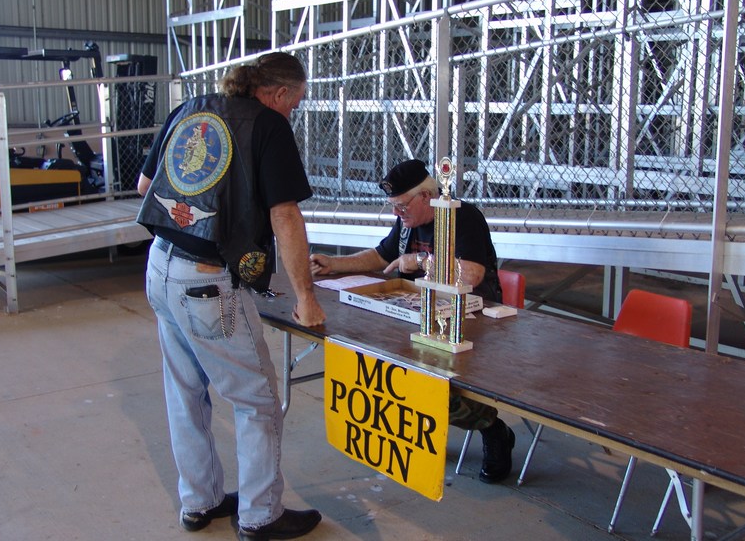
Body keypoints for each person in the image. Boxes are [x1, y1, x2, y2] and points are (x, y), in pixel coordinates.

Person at [136, 52, 325, 540]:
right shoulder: (269, 126)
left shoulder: (192, 107)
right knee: (257, 400)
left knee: (185, 392)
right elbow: (285, 217)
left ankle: (199, 501)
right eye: (296, 102)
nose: (294, 111)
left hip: (160, 264)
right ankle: (261, 516)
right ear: (278, 93)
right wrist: (305, 296)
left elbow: (145, 185)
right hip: (206, 279)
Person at [309, 158, 516, 483]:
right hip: (420, 314)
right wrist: (334, 264)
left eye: (402, 206)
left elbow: (473, 274)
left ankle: (493, 429)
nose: (397, 213)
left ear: (426, 196)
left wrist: (420, 260)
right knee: (378, 365)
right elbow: (382, 255)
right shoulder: (407, 221)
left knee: (434, 384)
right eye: (393, 206)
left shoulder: (463, 217)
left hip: (471, 318)